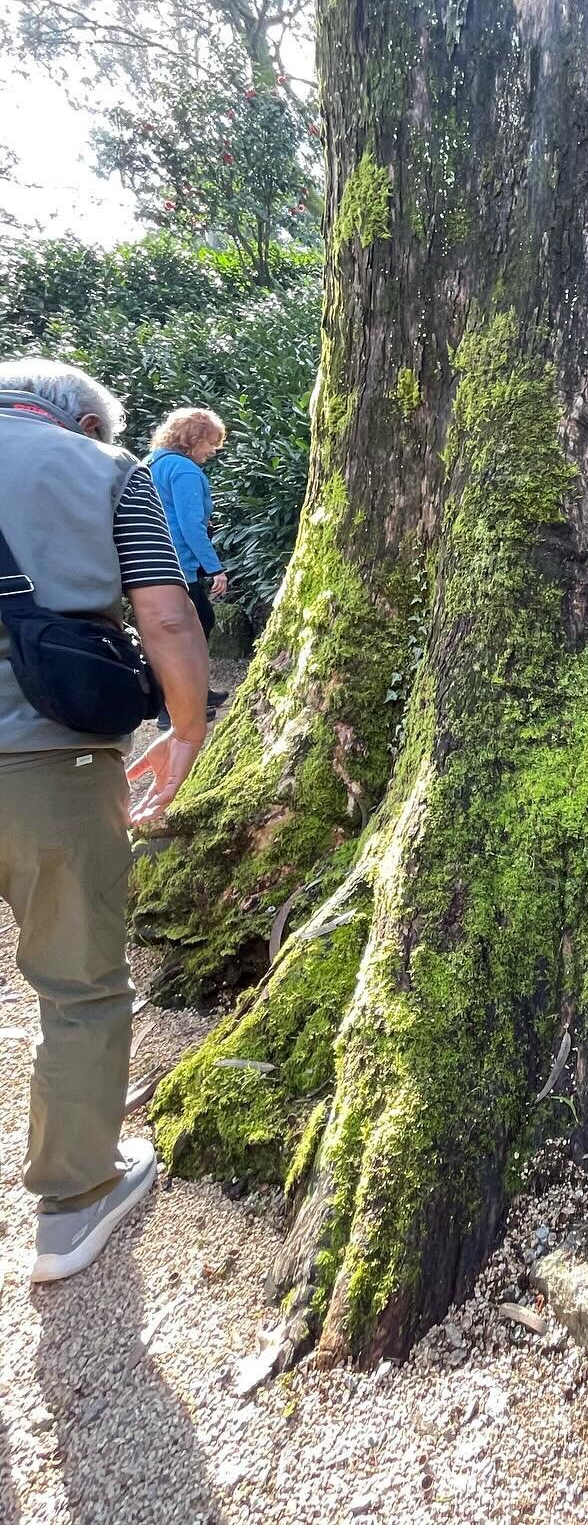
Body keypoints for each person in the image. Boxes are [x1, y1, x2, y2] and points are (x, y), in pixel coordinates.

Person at [0, 359, 209, 1282]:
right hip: (50, 758)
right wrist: (185, 730)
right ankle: (74, 1205)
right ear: (81, 420)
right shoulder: (105, 470)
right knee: (78, 981)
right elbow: (164, 616)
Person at [145, 407, 229, 720]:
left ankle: (196, 694)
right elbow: (190, 525)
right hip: (179, 562)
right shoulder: (184, 471)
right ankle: (175, 709)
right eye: (210, 442)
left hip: (154, 560)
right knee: (191, 629)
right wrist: (215, 567)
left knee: (184, 627)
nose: (213, 450)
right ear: (192, 439)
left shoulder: (154, 462)